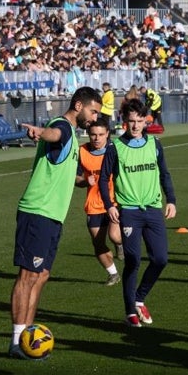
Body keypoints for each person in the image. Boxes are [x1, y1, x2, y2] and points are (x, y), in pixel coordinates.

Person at [9, 86, 102, 358]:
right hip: (38, 212)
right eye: (92, 111)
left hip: (52, 216)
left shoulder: (72, 135)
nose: (95, 118)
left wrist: (81, 181)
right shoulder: (61, 126)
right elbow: (53, 134)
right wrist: (40, 133)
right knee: (27, 276)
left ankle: (27, 337)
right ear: (78, 105)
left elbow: (58, 166)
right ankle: (17, 342)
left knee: (41, 276)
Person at [97, 98, 177, 328]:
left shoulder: (155, 144)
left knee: (160, 259)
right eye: (131, 121)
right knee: (132, 259)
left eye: (139, 121)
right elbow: (104, 179)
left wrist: (171, 200)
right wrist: (110, 205)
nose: (135, 126)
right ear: (124, 121)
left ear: (145, 121)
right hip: (129, 212)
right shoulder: (115, 147)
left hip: (153, 209)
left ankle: (139, 297)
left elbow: (165, 174)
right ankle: (129, 310)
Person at [76, 115, 121, 286]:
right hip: (94, 205)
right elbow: (75, 178)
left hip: (114, 201)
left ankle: (119, 245)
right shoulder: (82, 151)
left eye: (101, 134)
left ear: (108, 134)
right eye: (93, 134)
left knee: (115, 235)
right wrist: (84, 181)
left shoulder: (115, 150)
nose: (96, 138)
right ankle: (113, 274)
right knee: (98, 243)